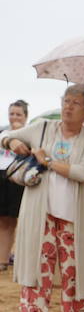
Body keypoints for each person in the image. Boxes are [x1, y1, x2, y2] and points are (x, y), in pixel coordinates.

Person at [2, 85, 84, 312]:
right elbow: (5, 137)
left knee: (73, 270)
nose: (68, 107)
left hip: (73, 215)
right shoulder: (43, 127)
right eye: (66, 101)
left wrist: (47, 161)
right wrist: (13, 141)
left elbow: (83, 172)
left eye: (75, 103)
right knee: (38, 269)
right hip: (40, 212)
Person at [0, 100, 32, 270]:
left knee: (22, 221)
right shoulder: (2, 132)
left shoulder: (29, 135)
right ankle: (3, 259)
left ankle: (23, 261)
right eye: (12, 113)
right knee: (4, 221)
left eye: (18, 114)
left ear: (26, 116)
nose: (14, 117)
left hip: (19, 178)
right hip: (1, 177)